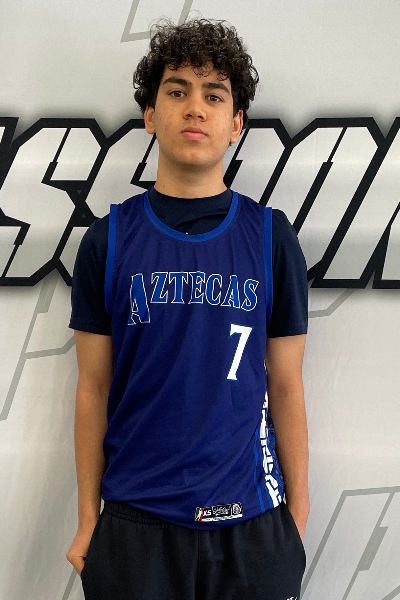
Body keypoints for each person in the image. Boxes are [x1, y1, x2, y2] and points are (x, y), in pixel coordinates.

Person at [66, 17, 309, 600]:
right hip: (136, 524)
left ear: (236, 123)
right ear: (150, 115)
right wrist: (87, 519)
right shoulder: (108, 240)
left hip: (252, 524)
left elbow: (286, 383)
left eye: (214, 95)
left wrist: (296, 521)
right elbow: (92, 389)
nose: (195, 107)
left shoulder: (271, 238)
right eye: (177, 91)